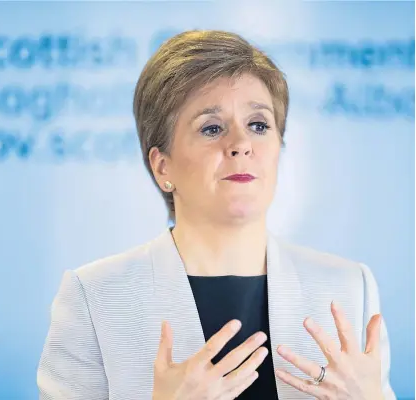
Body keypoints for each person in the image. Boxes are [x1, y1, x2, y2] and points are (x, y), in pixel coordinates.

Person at [37, 30, 396, 400]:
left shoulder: (350, 288)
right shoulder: (95, 297)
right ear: (163, 167)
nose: (241, 144)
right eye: (212, 128)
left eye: (259, 125)